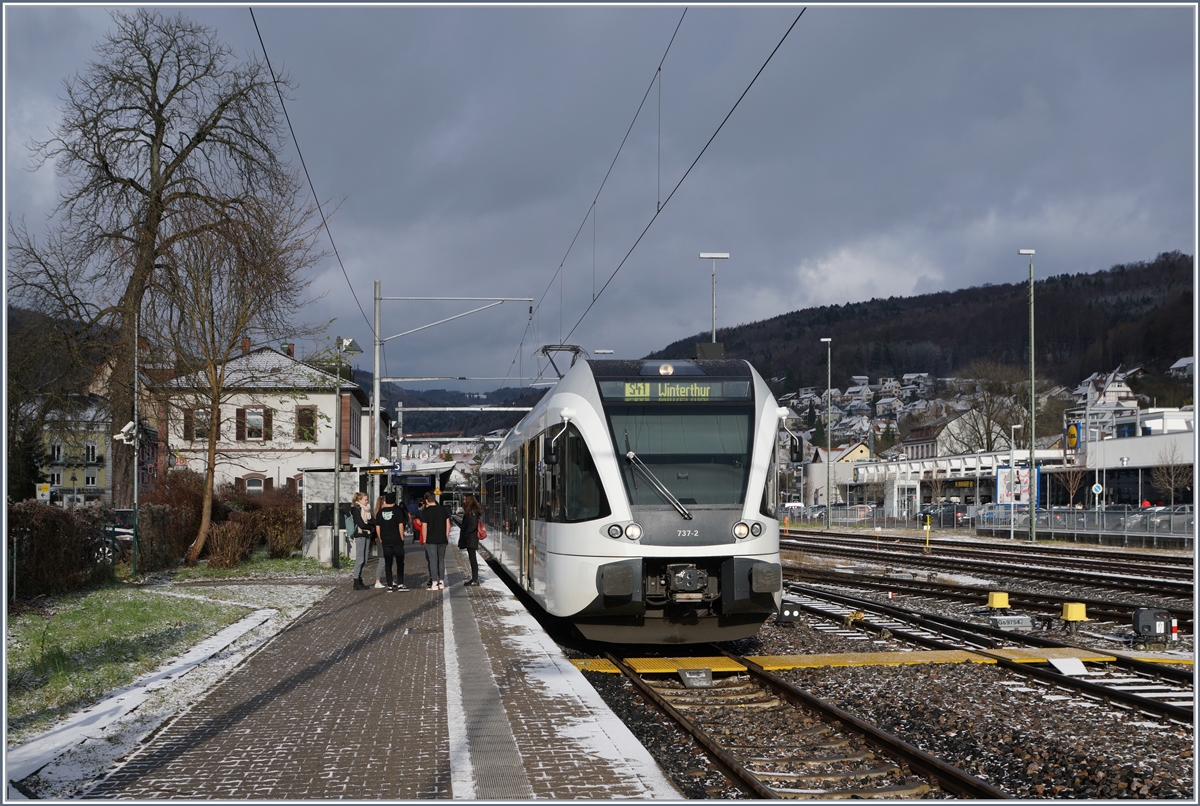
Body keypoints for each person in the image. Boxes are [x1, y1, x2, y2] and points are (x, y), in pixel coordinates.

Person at [373, 489, 409, 591]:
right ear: (394, 502)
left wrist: (380, 538)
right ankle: (400, 584)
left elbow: (378, 527)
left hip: (386, 541)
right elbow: (400, 525)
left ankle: (389, 585)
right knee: (400, 562)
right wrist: (402, 537)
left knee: (388, 563)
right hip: (397, 540)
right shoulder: (398, 512)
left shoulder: (380, 513)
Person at [419, 491, 450, 590]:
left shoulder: (426, 512)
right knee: (441, 560)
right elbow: (448, 524)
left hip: (430, 540)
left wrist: (424, 539)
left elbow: (424, 527)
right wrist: (446, 536)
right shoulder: (442, 510)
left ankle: (434, 583)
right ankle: (441, 582)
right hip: (442, 539)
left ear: (427, 501)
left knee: (433, 561)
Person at [349, 491, 373, 591]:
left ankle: (359, 578)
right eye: (365, 500)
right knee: (360, 559)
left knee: (365, 559)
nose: (367, 502)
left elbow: (371, 520)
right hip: (360, 534)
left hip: (367, 534)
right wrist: (370, 527)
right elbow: (360, 523)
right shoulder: (356, 508)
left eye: (367, 500)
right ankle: (356, 580)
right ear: (359, 500)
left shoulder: (366, 509)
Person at [458, 494, 483, 586]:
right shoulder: (470, 511)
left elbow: (473, 525)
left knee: (473, 559)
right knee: (472, 558)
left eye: (465, 499)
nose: (464, 501)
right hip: (470, 538)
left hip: (471, 538)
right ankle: (474, 578)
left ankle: (475, 579)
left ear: (469, 500)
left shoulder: (473, 511)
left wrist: (466, 533)